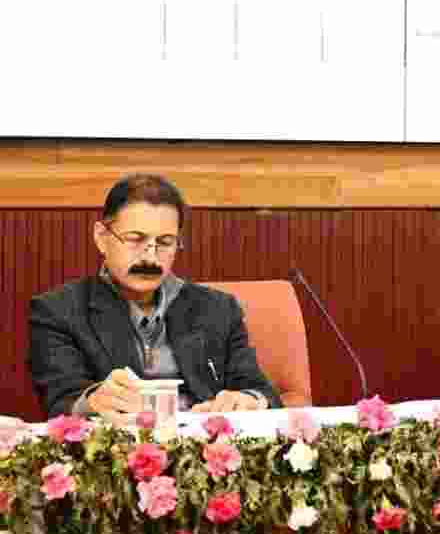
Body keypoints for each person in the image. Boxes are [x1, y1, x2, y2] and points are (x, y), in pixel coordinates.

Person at [28, 174, 280, 421]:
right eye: (135, 239)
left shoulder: (218, 309)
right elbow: (59, 402)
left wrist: (248, 399)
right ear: (102, 237)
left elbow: (262, 392)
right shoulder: (57, 311)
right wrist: (92, 402)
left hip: (206, 451)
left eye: (165, 242)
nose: (150, 257)